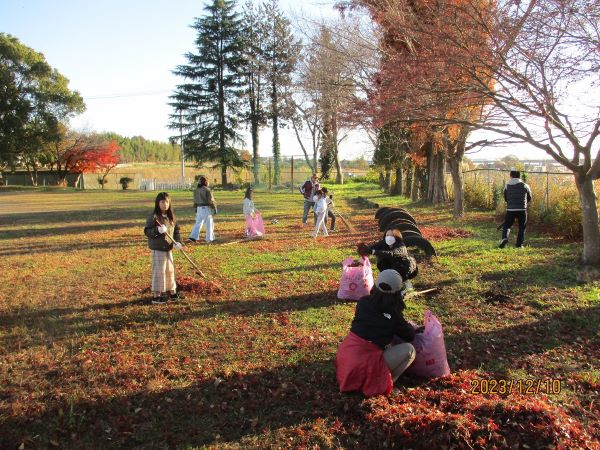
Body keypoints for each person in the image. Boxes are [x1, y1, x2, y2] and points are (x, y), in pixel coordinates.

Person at [335, 269, 419, 397]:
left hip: (347, 355)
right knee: (409, 350)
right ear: (397, 293)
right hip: (364, 363)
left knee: (386, 346)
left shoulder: (363, 302)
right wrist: (406, 324)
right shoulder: (394, 315)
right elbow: (409, 336)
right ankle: (386, 382)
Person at [143, 192, 184, 304]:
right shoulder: (154, 217)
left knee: (170, 271)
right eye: (162, 202)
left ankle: (173, 293)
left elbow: (176, 231)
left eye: (166, 202)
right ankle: (156, 296)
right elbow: (147, 231)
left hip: (168, 248)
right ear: (158, 203)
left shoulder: (171, 217)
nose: (164, 204)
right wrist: (157, 230)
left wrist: (178, 242)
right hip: (158, 249)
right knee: (159, 272)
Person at [499, 170, 532, 248]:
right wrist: (524, 203)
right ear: (519, 176)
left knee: (507, 225)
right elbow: (529, 197)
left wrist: (510, 204)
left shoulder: (507, 185)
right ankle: (519, 245)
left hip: (510, 210)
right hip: (522, 210)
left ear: (511, 176)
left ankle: (504, 238)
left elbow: (505, 197)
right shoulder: (525, 185)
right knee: (522, 227)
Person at [189, 176, 217, 243]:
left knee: (198, 223)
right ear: (206, 182)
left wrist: (196, 208)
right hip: (206, 208)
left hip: (198, 208)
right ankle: (209, 238)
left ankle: (193, 237)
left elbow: (195, 201)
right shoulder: (207, 190)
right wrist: (214, 208)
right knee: (209, 223)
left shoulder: (196, 190)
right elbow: (211, 200)